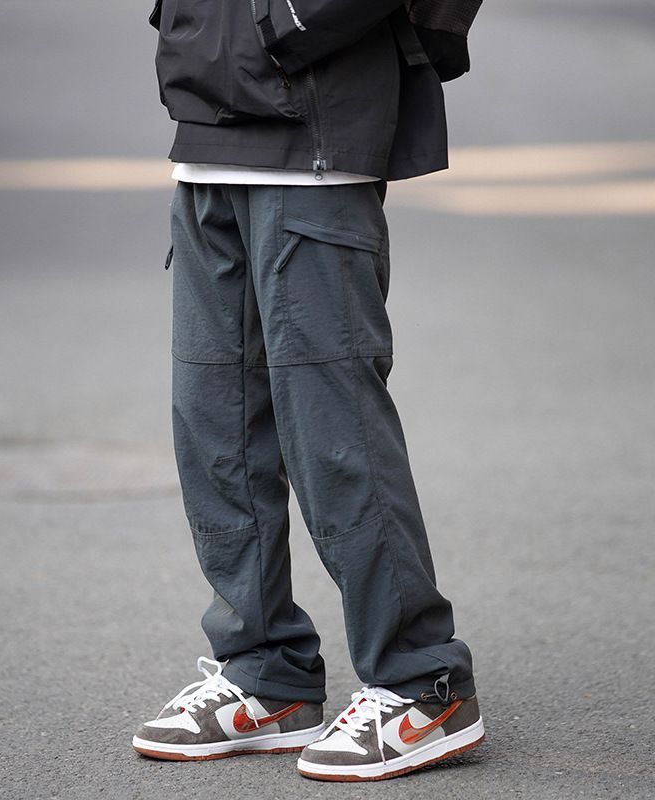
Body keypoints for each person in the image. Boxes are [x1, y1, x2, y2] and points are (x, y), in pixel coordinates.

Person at [133, 0, 485, 782]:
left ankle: (422, 682)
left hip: (316, 129)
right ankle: (267, 673)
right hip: (205, 132)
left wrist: (289, 19)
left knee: (335, 434)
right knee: (215, 427)